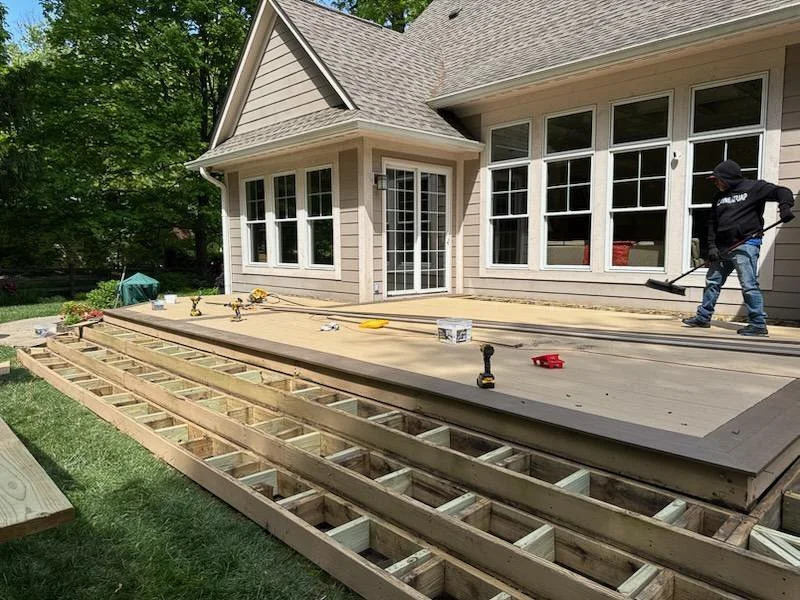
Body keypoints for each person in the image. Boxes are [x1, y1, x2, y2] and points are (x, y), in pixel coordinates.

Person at [682, 159, 795, 336]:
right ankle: (703, 317)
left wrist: (785, 207)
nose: (715, 183)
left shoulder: (754, 188)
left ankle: (758, 324)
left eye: (717, 179)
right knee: (712, 282)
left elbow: (783, 191)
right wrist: (711, 247)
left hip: (746, 244)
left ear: (728, 177)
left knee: (749, 285)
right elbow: (712, 223)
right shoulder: (719, 197)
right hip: (722, 248)